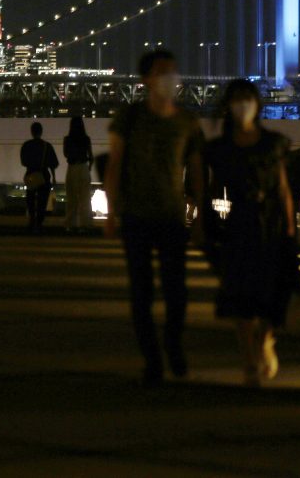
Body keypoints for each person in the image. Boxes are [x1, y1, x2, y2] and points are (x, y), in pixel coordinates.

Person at [105, 49, 204, 386]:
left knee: (177, 292)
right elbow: (115, 165)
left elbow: (198, 171)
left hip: (173, 217)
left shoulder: (188, 122)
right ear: (147, 79)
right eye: (163, 72)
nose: (171, 78)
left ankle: (173, 346)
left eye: (173, 71)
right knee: (141, 293)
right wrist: (110, 213)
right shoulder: (129, 118)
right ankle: (152, 359)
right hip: (136, 216)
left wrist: (201, 212)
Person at [206, 79, 299, 387]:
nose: (243, 104)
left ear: (258, 104)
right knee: (241, 297)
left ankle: (264, 340)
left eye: (248, 98)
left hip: (271, 227)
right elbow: (211, 190)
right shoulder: (220, 149)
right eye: (237, 99)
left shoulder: (274, 143)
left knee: (273, 296)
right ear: (228, 106)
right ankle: (249, 360)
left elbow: (284, 189)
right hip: (238, 227)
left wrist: (289, 228)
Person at [20, 121, 58, 233]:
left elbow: (23, 162)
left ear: (31, 132)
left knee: (30, 199)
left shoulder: (26, 145)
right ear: (41, 132)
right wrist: (54, 178)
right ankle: (39, 222)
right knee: (42, 201)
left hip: (31, 174)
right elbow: (52, 164)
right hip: (44, 175)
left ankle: (32, 220)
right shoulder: (47, 146)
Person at [63, 116, 95, 233]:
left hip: (72, 168)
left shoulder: (67, 139)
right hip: (83, 167)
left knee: (71, 197)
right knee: (85, 197)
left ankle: (70, 224)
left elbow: (66, 154)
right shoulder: (86, 139)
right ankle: (85, 224)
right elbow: (91, 157)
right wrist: (88, 167)